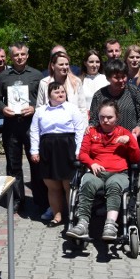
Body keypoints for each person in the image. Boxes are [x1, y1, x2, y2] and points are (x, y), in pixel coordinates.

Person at [70, 101, 140, 240]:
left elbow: (136, 158)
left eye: (109, 117)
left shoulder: (124, 132)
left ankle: (110, 225)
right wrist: (92, 164)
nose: (105, 120)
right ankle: (82, 224)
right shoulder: (91, 132)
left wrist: (130, 141)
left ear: (117, 117)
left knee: (113, 185)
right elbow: (83, 153)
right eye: (102, 117)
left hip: (119, 173)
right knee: (87, 183)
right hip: (97, 172)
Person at [0, 42, 45, 217]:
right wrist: (2, 109)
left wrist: (35, 108)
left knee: (36, 163)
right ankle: (17, 200)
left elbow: (44, 100)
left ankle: (40, 200)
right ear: (11, 57)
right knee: (13, 165)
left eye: (22, 54)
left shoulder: (37, 75)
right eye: (16, 55)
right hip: (11, 126)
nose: (20, 57)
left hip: (32, 125)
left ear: (27, 55)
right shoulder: (4, 76)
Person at [29, 82, 86, 226]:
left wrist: (78, 150)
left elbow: (80, 130)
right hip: (47, 148)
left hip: (67, 148)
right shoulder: (41, 111)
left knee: (68, 185)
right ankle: (57, 216)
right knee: (52, 186)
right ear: (49, 95)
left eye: (62, 92)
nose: (60, 94)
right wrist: (34, 151)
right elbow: (34, 131)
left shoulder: (72, 108)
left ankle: (71, 216)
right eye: (56, 92)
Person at [88, 59, 140, 138]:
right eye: (116, 77)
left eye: (123, 77)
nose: (121, 80)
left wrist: (139, 127)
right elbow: (94, 120)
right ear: (108, 78)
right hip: (106, 142)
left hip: (130, 139)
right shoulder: (99, 95)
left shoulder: (134, 92)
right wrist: (91, 127)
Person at [77, 50, 109, 116]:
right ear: (85, 63)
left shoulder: (107, 80)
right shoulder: (78, 81)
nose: (94, 65)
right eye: (91, 62)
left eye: (97, 62)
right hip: (84, 119)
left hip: (103, 119)